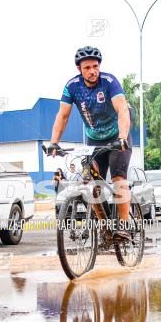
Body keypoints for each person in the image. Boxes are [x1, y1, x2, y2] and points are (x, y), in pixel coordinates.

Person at [45, 46, 133, 241]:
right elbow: (63, 116)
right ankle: (105, 228)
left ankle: (125, 225)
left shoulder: (109, 82)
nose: (93, 71)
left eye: (95, 66)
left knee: (118, 179)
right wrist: (53, 143)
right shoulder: (72, 86)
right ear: (79, 69)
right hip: (94, 139)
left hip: (117, 136)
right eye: (87, 68)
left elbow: (122, 110)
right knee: (91, 182)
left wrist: (122, 137)